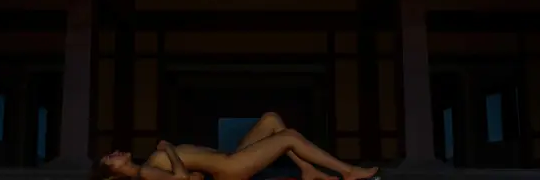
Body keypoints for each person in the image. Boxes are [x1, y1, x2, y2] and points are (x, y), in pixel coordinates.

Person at [93, 112, 378, 180]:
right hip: (232, 167)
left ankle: (308, 170)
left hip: (230, 158)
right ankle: (348, 171)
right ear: (114, 173)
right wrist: (168, 148)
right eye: (110, 158)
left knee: (271, 119)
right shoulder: (143, 172)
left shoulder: (147, 168)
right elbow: (180, 179)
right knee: (289, 136)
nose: (115, 153)